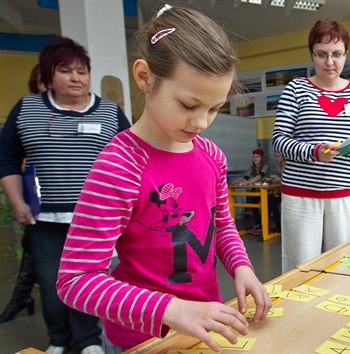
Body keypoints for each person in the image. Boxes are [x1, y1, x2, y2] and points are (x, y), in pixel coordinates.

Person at [55, 6, 271, 353]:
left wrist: (241, 266)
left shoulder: (211, 157)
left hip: (205, 330)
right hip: (140, 341)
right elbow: (76, 281)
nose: (202, 122)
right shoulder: (119, 165)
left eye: (214, 108)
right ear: (144, 77)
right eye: (188, 105)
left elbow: (221, 225)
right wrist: (169, 309)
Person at [0, 36, 130, 354]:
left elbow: (132, 160)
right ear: (48, 75)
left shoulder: (110, 113)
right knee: (49, 282)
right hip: (44, 217)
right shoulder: (27, 109)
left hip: (98, 219)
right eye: (66, 70)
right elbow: (6, 157)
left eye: (82, 71)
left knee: (90, 278)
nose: (76, 78)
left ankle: (87, 340)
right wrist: (17, 201)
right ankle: (58, 338)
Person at [272, 19, 350, 272]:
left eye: (336, 54)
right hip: (301, 194)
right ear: (312, 55)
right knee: (300, 267)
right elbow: (279, 141)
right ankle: (297, 312)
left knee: (344, 265)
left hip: (345, 192)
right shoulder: (296, 89)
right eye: (322, 54)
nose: (330, 62)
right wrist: (314, 152)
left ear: (346, 55)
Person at [0, 63, 46, 325]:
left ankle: (21, 297)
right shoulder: (27, 111)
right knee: (35, 250)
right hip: (35, 196)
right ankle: (22, 296)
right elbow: (9, 157)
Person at [234, 149, 269, 235]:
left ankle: (264, 225)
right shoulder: (251, 167)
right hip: (256, 190)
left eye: (257, 157)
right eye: (254, 157)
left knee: (266, 207)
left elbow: (260, 176)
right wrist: (239, 183)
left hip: (266, 191)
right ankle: (258, 225)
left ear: (261, 158)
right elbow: (246, 177)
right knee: (254, 206)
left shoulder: (265, 166)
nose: (255, 159)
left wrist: (249, 182)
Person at [268, 150, 285, 234]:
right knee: (271, 201)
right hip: (280, 191)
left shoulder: (287, 165)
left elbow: (288, 178)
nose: (276, 158)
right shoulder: (279, 166)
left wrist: (280, 179)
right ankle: (277, 227)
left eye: (278, 156)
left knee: (273, 202)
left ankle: (279, 227)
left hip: (286, 193)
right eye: (275, 156)